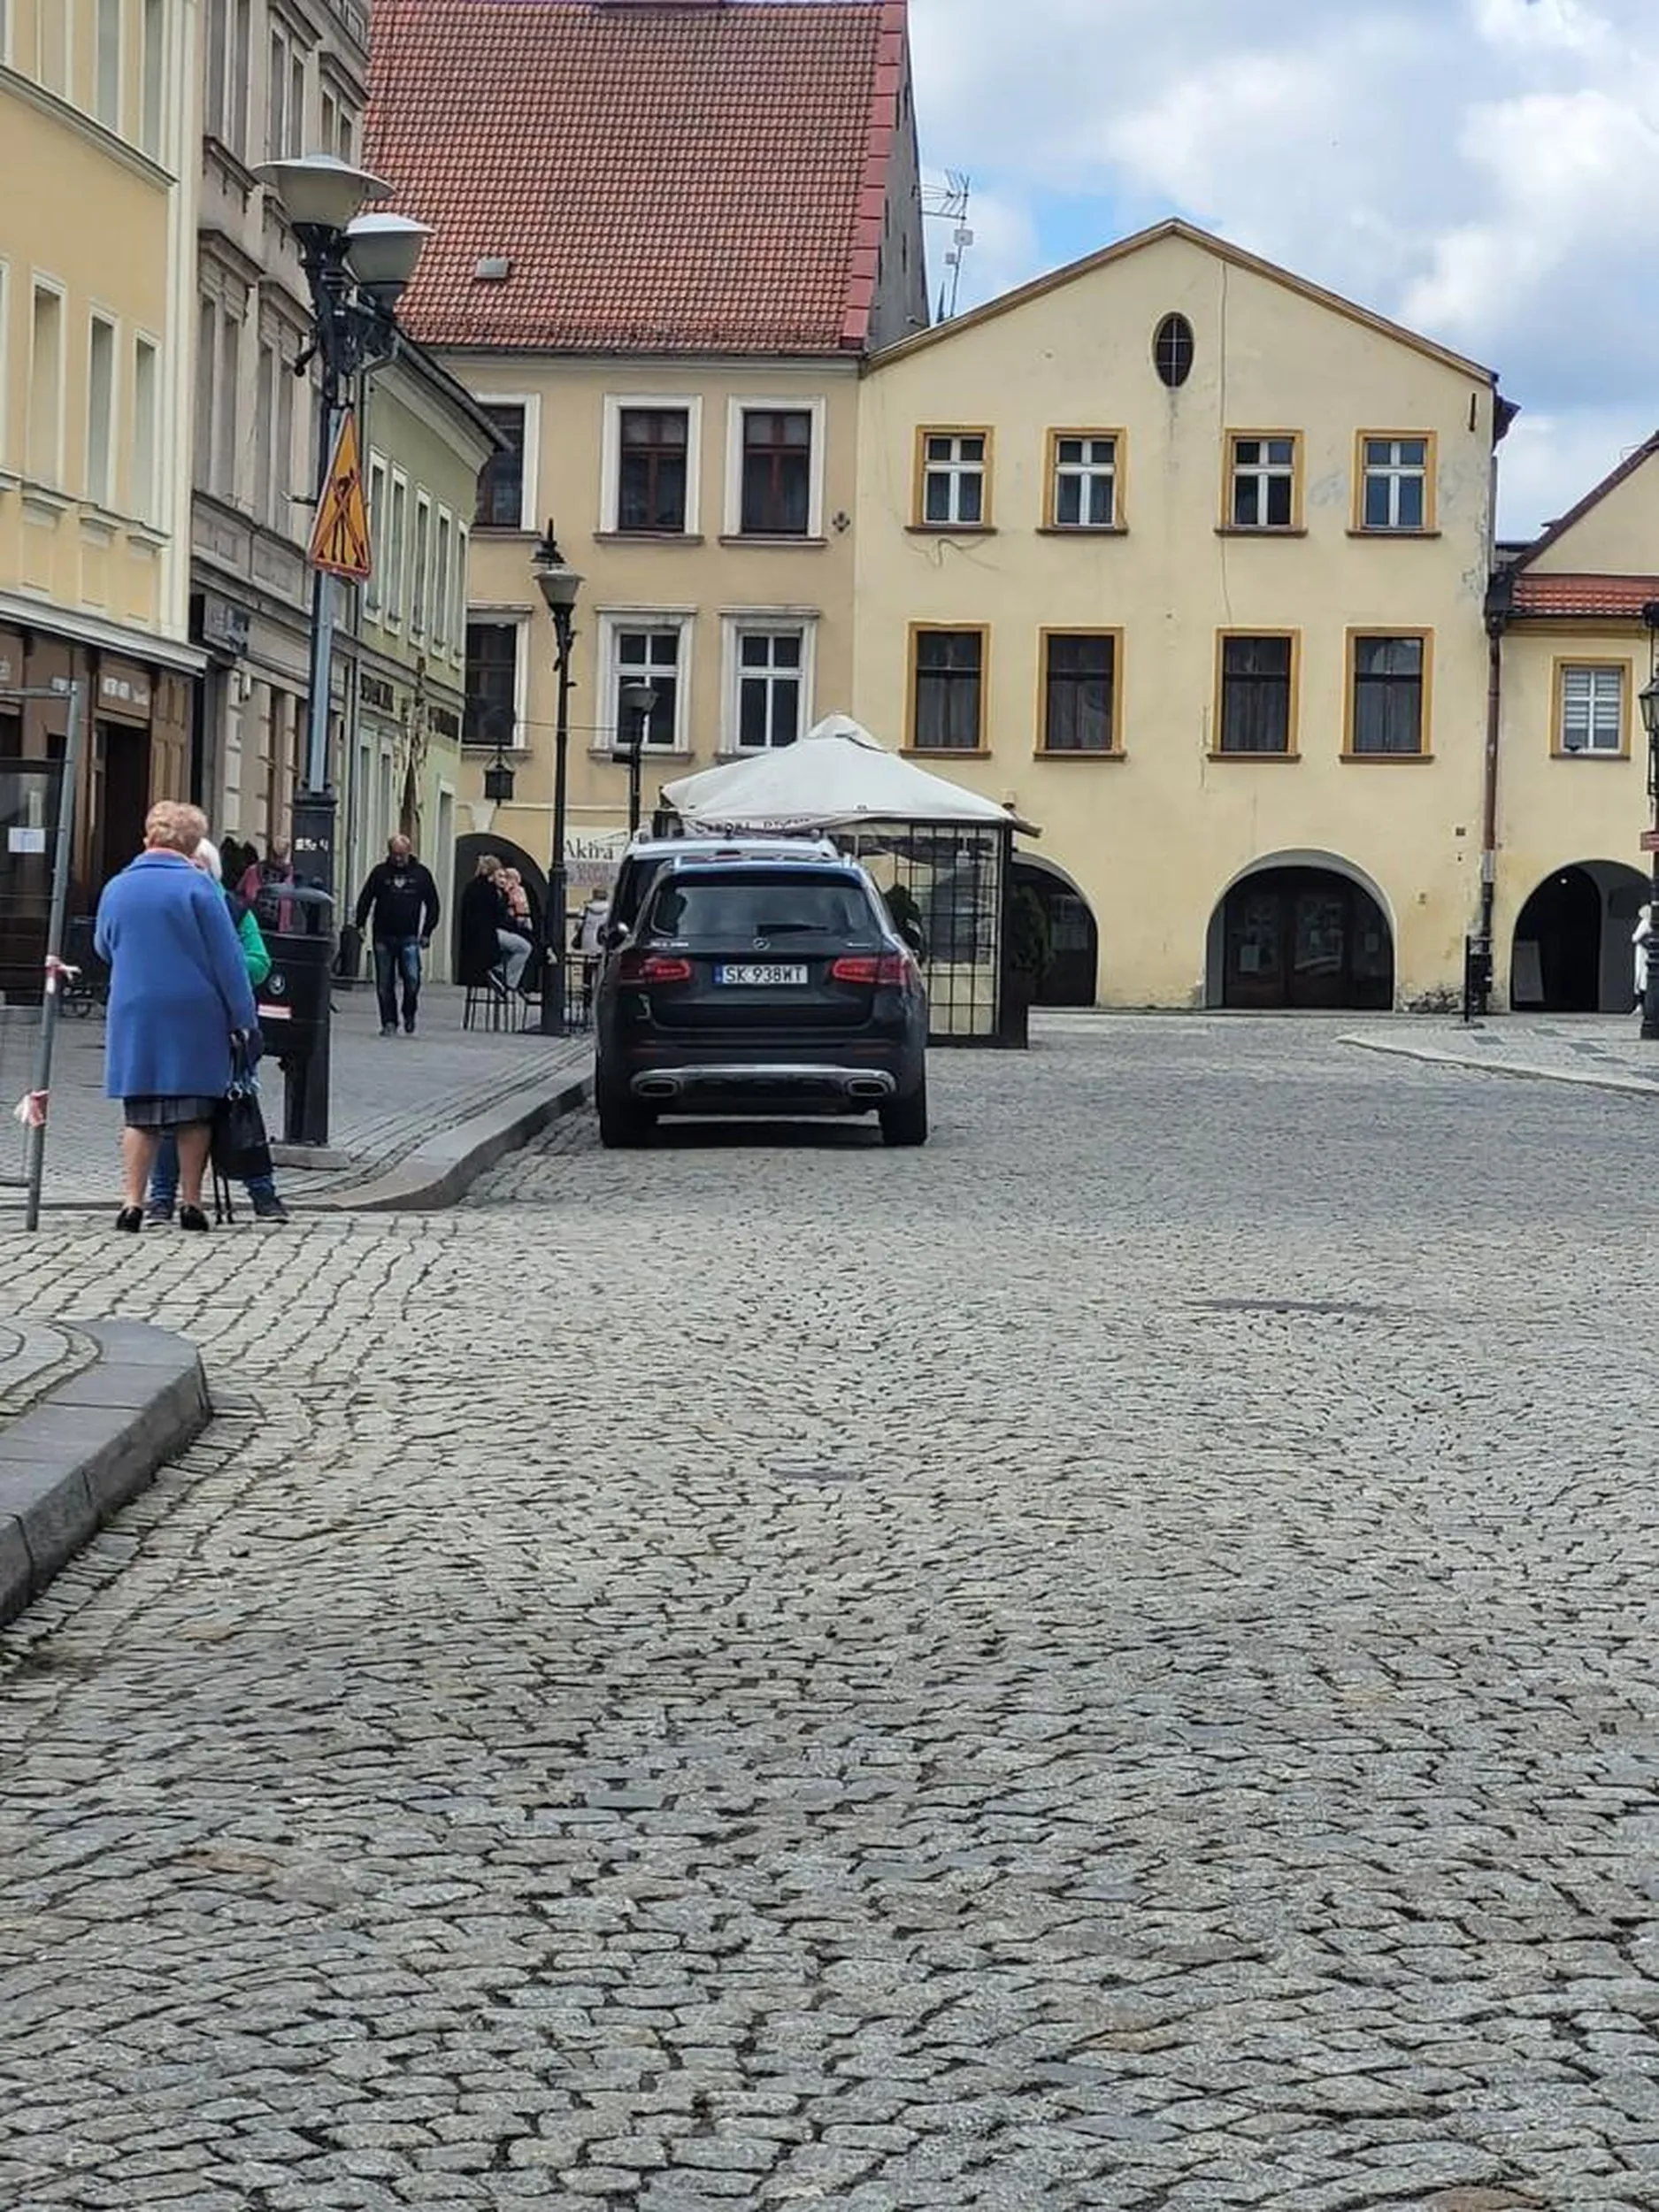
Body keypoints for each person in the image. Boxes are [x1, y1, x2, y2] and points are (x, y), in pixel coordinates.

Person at [95, 801, 257, 1234]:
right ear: (191, 845)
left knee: (140, 1112)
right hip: (194, 1011)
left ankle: (132, 1203)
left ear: (149, 837)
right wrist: (244, 1016)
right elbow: (229, 961)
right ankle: (191, 1203)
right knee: (193, 1114)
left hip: (136, 1008)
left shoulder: (117, 888)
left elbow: (102, 947)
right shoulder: (200, 888)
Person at [146, 839, 288, 1225]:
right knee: (170, 1117)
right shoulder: (168, 910)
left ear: (210, 872)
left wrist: (222, 960)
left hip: (226, 1028)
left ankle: (264, 1195)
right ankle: (161, 1199)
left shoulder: (235, 910)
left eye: (196, 866)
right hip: (178, 1025)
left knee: (240, 1112)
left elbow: (259, 964)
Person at [355, 833, 442, 1037]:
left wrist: (427, 931)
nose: (398, 858)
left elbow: (433, 904)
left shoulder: (421, 874)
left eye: (402, 854)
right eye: (395, 854)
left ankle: (409, 1012)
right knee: (385, 983)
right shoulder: (380, 873)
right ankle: (389, 1022)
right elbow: (366, 898)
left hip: (410, 936)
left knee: (412, 979)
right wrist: (360, 924)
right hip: (383, 935)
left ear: (409, 852)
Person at [241, 837, 296, 933]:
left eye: (282, 856)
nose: (278, 859)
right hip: (255, 927)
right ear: (269, 852)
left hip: (280, 930)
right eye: (275, 855)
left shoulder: (291, 874)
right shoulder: (253, 871)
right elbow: (239, 894)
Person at [575, 891, 611, 1013]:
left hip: (588, 945)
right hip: (602, 946)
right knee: (601, 975)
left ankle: (587, 1003)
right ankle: (599, 1002)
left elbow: (578, 925)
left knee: (587, 975)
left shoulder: (586, 909)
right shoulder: (609, 910)